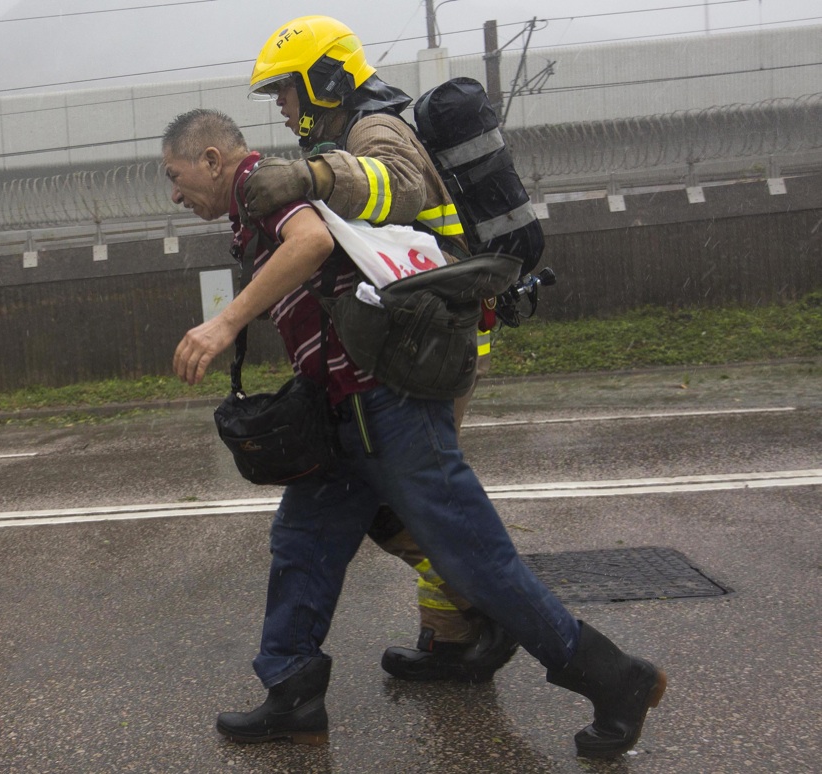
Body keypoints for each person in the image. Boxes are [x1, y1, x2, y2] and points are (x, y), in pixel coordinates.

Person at [162, 108, 667, 759]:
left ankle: (615, 678)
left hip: (388, 403)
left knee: (472, 555)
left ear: (211, 159)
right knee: (302, 544)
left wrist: (224, 322)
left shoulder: (260, 184)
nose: (175, 195)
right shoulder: (250, 208)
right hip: (341, 409)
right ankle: (291, 692)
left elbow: (311, 243)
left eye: (175, 175)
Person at [242, 14, 514, 682]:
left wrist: (312, 177)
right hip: (422, 335)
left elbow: (400, 185)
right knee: (408, 496)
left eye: (286, 90)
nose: (281, 106)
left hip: (436, 339)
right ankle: (453, 635)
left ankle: (492, 610)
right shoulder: (347, 132)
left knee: (416, 497)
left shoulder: (374, 129)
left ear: (325, 80)